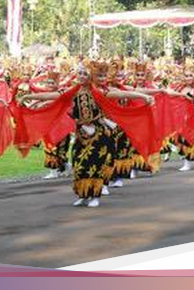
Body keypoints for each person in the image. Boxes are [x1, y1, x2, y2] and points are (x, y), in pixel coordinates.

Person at [20, 61, 153, 208]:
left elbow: (121, 93)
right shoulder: (73, 91)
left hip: (99, 134)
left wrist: (142, 96)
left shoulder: (99, 92)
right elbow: (53, 96)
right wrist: (28, 98)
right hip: (81, 135)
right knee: (79, 164)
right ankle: (83, 195)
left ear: (91, 77)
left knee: (95, 165)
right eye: (80, 73)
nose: (81, 76)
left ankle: (95, 196)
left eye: (85, 74)